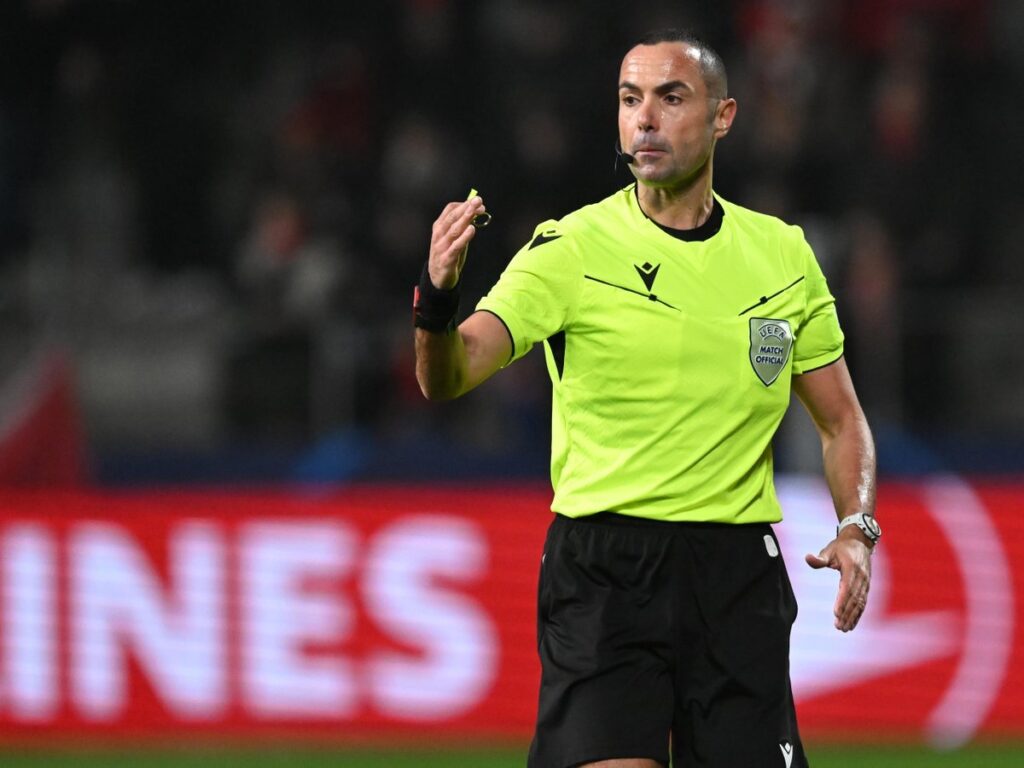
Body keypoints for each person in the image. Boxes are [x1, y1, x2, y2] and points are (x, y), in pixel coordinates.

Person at [413, 28, 878, 768]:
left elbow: (841, 418)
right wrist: (437, 299)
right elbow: (450, 373)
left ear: (723, 117)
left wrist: (856, 524)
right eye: (631, 100)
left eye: (671, 98)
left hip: (735, 572)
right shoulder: (569, 248)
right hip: (606, 570)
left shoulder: (782, 255)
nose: (646, 119)